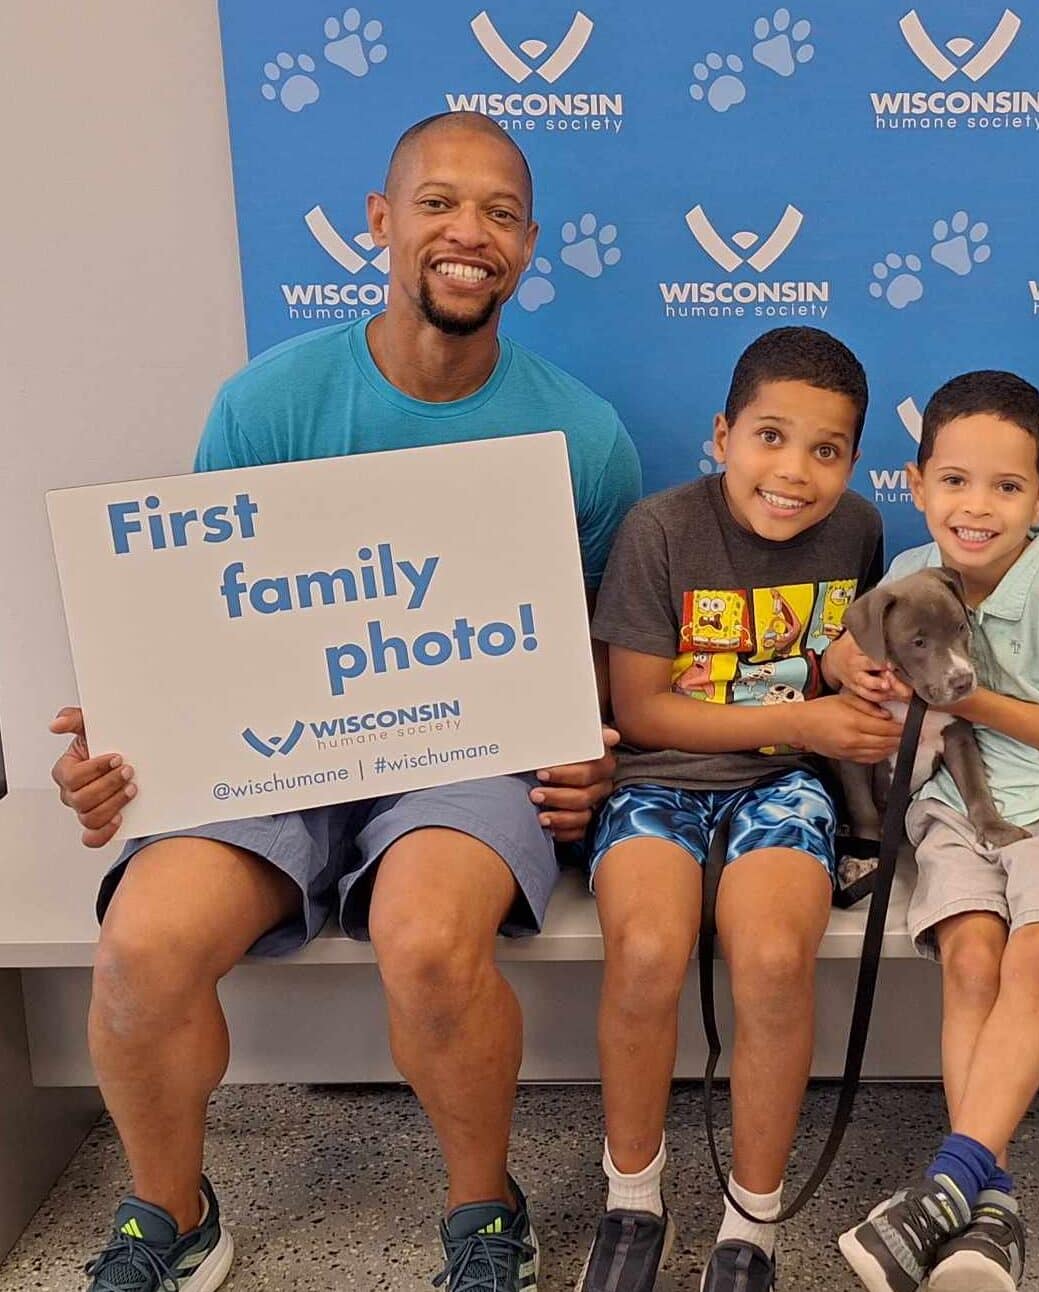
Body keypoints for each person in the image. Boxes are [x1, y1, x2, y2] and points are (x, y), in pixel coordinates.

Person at [49, 110, 641, 1292]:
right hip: (268, 749)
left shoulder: (583, 436)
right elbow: (190, 617)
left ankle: (484, 1211)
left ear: (528, 248)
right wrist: (120, 739)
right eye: (437, 203)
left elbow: (591, 654)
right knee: (140, 948)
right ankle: (171, 1210)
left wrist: (588, 752)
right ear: (381, 221)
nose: (468, 232)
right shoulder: (266, 403)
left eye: (500, 213)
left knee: (424, 938)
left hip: (460, 751)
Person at [579, 326, 895, 1292]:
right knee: (643, 952)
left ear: (851, 461)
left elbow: (854, 656)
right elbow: (637, 710)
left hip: (783, 785)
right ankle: (632, 1200)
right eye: (769, 437)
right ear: (722, 435)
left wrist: (861, 685)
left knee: (768, 960)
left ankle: (750, 1221)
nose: (793, 472)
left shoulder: (858, 532)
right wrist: (814, 712)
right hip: (654, 781)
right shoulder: (658, 531)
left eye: (826, 450)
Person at [831, 371, 1039, 1292]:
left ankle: (949, 1183)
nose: (976, 506)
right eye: (954, 481)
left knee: (1038, 954)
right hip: (952, 806)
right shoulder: (905, 575)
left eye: (1005, 487)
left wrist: (970, 697)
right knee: (969, 955)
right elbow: (849, 648)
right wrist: (856, 668)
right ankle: (986, 1206)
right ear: (915, 486)